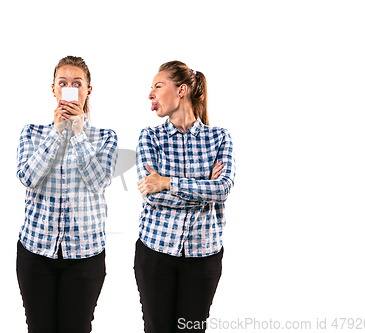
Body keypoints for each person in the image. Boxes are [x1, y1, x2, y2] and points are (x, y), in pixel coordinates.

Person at [15, 55, 118, 333]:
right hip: (36, 253)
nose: (69, 88)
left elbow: (98, 181)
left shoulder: (105, 137)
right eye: (63, 83)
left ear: (87, 91)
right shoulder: (32, 133)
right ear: (54, 89)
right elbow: (27, 177)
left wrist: (78, 133)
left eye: (77, 83)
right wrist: (58, 132)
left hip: (85, 256)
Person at [134, 60, 236, 333]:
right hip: (155, 253)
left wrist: (167, 182)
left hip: (203, 256)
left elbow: (224, 188)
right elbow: (152, 197)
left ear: (181, 90)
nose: (150, 94)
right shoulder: (149, 137)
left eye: (158, 86)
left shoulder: (219, 138)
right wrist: (205, 189)